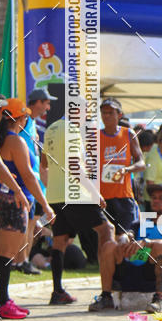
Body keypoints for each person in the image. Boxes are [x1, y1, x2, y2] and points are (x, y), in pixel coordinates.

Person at [41, 116, 113, 305]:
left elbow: (44, 163)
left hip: (55, 194)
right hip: (74, 192)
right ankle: (109, 289)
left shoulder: (51, 128)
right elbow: (75, 166)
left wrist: (50, 186)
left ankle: (57, 291)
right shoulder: (72, 130)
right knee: (106, 230)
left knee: (60, 241)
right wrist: (95, 193)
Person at [0, 98, 54, 319]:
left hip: (1, 198)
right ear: (20, 118)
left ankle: (3, 300)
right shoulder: (15, 142)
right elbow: (28, 176)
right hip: (14, 201)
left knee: (1, 253)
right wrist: (45, 205)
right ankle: (2, 303)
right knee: (6, 255)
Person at [90, 184, 162, 313]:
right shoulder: (139, 223)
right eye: (154, 197)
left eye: (161, 198)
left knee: (160, 246)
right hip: (128, 271)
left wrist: (147, 243)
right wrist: (125, 239)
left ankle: (159, 299)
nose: (156, 200)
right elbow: (129, 234)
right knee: (109, 246)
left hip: (151, 275)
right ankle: (106, 296)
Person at [14, 87, 55, 274]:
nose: (48, 107)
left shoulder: (31, 123)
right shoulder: (22, 122)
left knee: (32, 224)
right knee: (24, 225)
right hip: (24, 181)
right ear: (38, 102)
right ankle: (18, 261)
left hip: (35, 181)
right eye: (47, 102)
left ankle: (24, 261)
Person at [99, 98, 145, 234]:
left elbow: (141, 162)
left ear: (119, 115)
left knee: (125, 238)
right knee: (107, 240)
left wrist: (126, 170)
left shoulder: (128, 134)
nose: (106, 116)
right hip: (102, 198)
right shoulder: (95, 137)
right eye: (104, 113)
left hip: (124, 197)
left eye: (110, 113)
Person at [144, 128, 162, 210]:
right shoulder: (153, 156)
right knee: (149, 223)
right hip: (153, 201)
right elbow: (150, 183)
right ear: (159, 142)